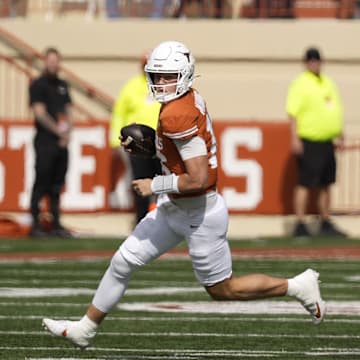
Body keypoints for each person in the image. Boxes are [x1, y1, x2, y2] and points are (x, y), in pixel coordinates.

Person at [42, 41, 326, 348]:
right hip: (174, 210)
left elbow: (199, 178)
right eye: (157, 76)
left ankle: (297, 286)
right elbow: (187, 159)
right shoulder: (184, 101)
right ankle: (86, 328)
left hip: (199, 214)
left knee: (222, 290)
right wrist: (154, 149)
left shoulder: (177, 113)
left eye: (169, 76)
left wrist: (155, 184)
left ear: (186, 74)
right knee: (122, 262)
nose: (161, 83)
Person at [286, 46, 347, 238]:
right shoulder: (301, 83)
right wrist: (295, 138)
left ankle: (325, 219)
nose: (315, 64)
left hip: (326, 140)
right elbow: (293, 113)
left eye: (317, 60)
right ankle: (300, 221)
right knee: (305, 182)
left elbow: (334, 109)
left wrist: (339, 132)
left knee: (326, 183)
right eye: (311, 61)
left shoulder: (327, 82)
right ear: (306, 63)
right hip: (309, 139)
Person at [110, 52, 162, 224]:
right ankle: (140, 219)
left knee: (162, 182)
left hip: (161, 143)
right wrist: (114, 139)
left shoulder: (161, 84)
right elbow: (119, 113)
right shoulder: (131, 87)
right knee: (140, 181)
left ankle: (162, 220)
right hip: (138, 144)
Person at [29, 47, 73, 238]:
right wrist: (59, 132)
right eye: (50, 61)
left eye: (56, 61)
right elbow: (40, 113)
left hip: (61, 143)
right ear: (45, 62)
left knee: (57, 184)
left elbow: (69, 110)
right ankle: (36, 223)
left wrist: (68, 132)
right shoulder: (38, 85)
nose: (53, 64)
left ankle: (56, 223)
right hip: (45, 141)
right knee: (42, 182)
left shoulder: (62, 84)